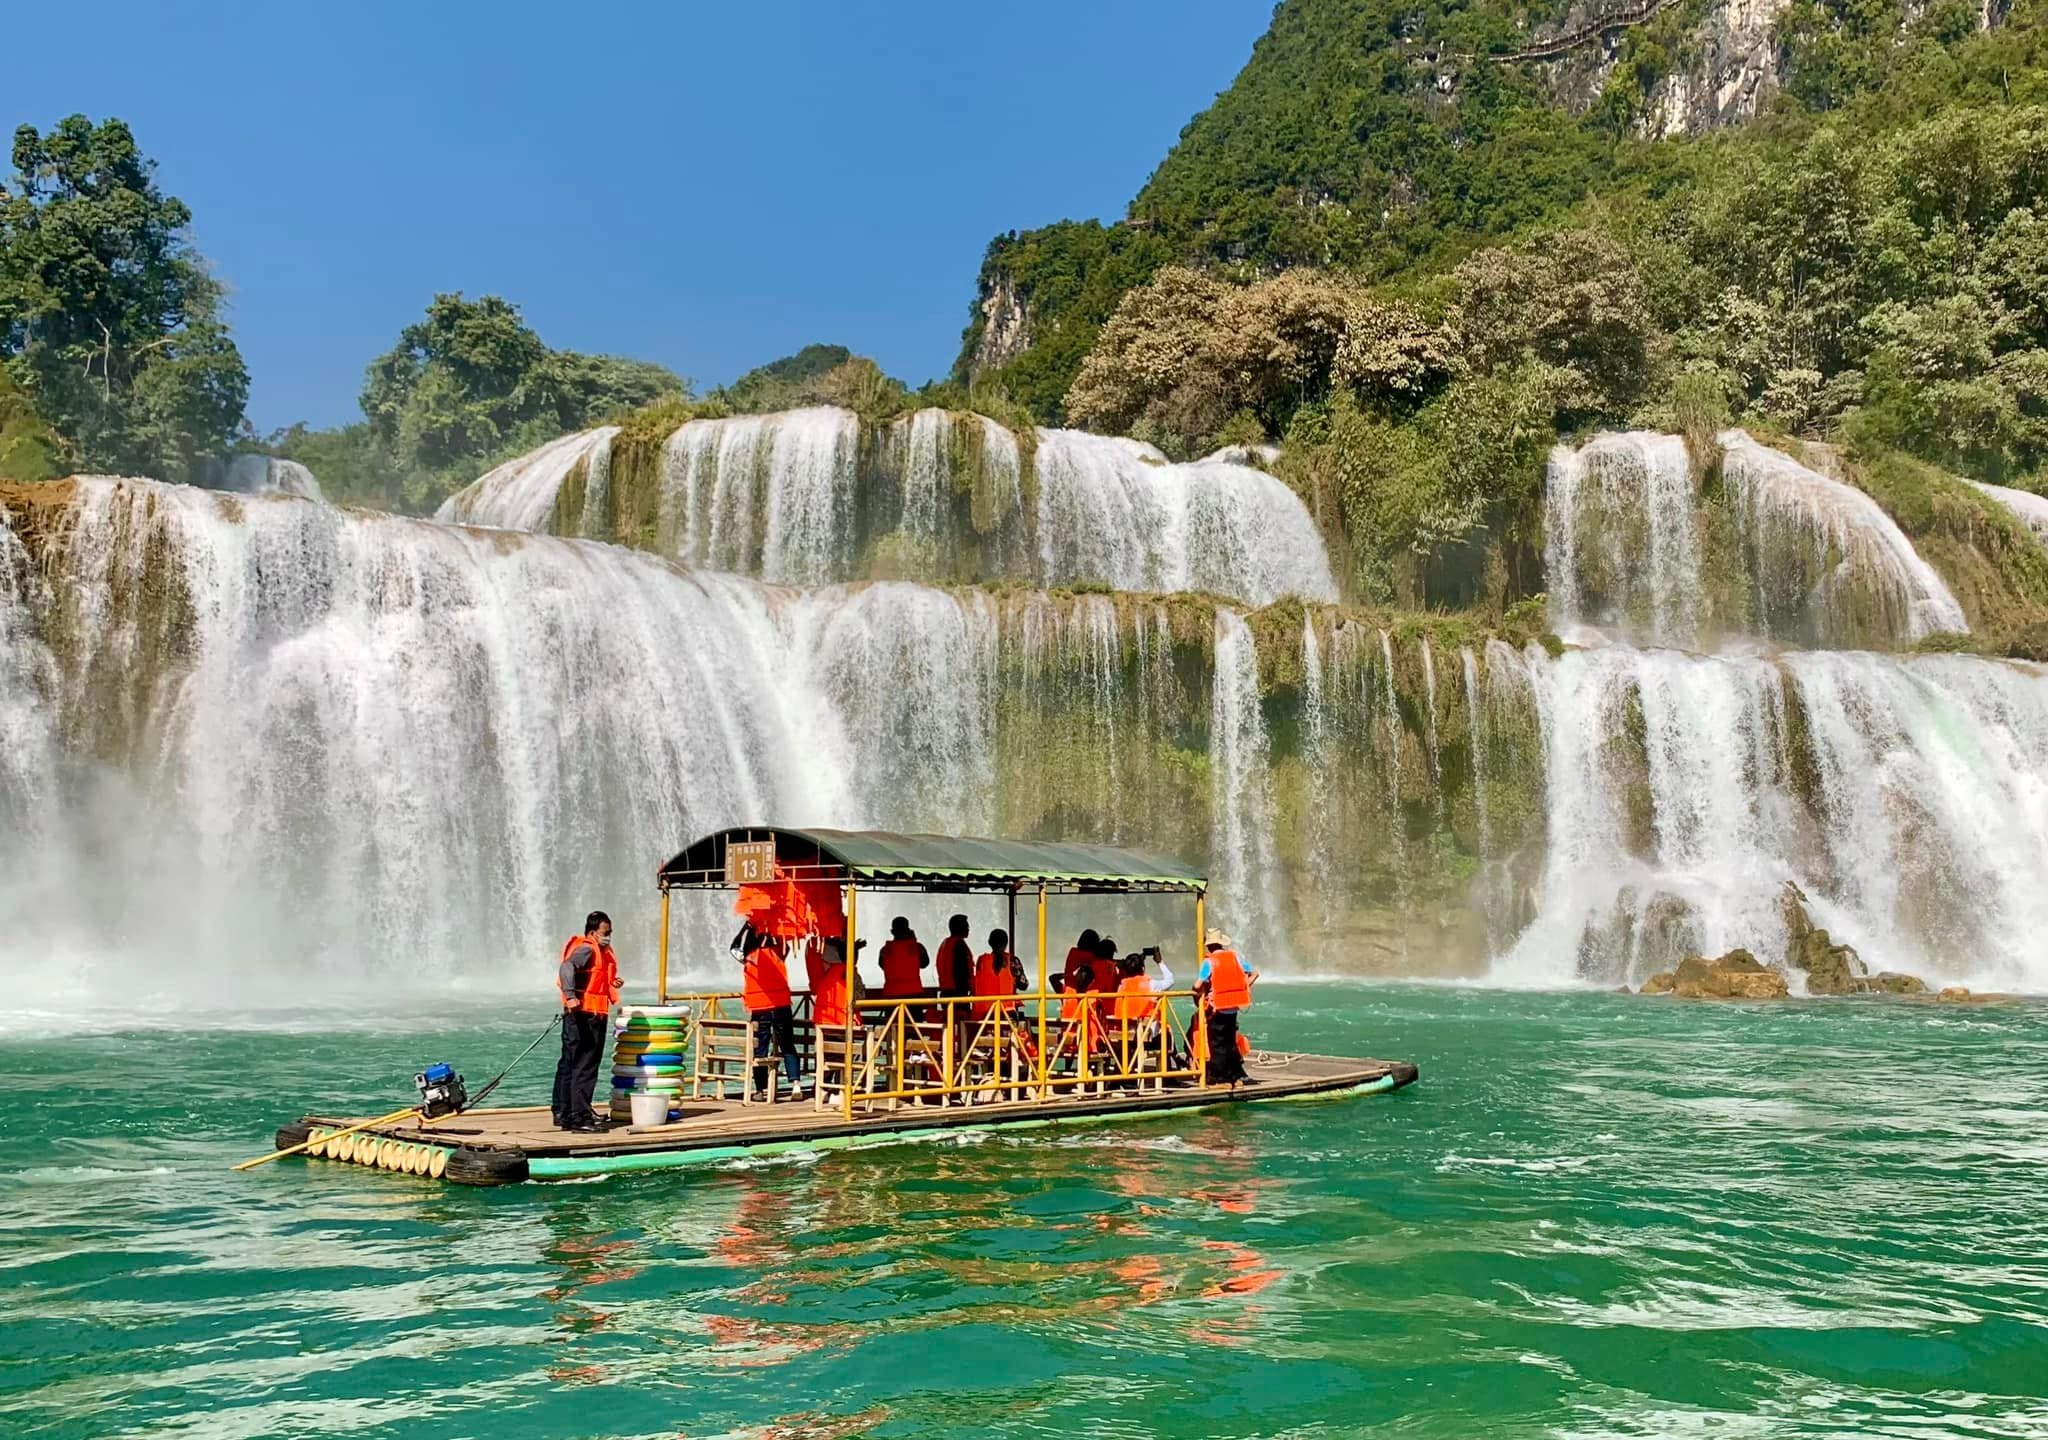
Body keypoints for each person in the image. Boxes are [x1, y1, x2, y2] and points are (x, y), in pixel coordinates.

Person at [553, 910, 622, 1132]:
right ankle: (579, 1118)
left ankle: (564, 1112)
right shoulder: (586, 948)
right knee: (585, 1066)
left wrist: (613, 982)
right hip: (586, 1015)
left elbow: (593, 977)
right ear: (593, 932)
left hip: (585, 1013)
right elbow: (567, 967)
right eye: (606, 932)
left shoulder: (598, 950)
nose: (609, 936)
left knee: (571, 1063)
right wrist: (571, 996)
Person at [741, 930, 803, 1099]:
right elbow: (786, 944)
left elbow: (735, 947)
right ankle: (796, 1085)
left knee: (760, 1048)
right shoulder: (779, 952)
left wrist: (747, 928)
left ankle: (760, 1090)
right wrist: (773, 927)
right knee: (788, 1045)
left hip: (759, 1009)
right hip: (781, 1006)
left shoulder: (748, 956)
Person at [1193, 929, 1258, 1087]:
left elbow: (1197, 985)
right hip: (1233, 1007)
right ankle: (1234, 1076)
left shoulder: (1209, 962)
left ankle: (1221, 1079)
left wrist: (1196, 990)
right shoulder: (1235, 957)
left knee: (1217, 1044)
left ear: (1209, 946)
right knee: (1230, 1043)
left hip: (1218, 1007)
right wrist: (1243, 987)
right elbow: (1255, 973)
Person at [877, 916, 930, 1000]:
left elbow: (882, 965)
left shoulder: (885, 949)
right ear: (908, 930)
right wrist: (913, 941)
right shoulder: (917, 947)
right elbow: (924, 964)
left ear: (892, 931)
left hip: (891, 994)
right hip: (913, 993)